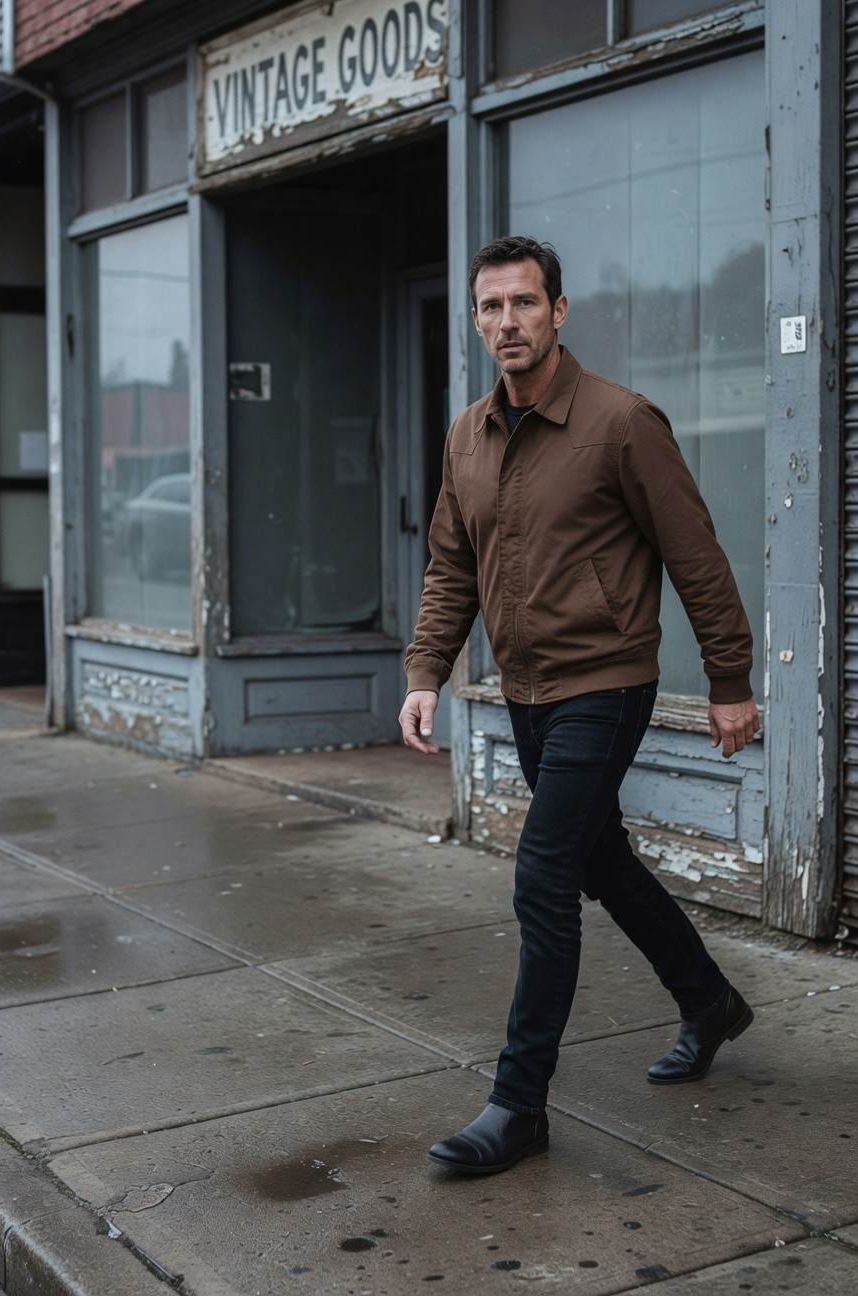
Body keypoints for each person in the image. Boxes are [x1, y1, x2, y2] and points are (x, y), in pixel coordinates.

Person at [399, 235, 760, 1176]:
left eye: (524, 304)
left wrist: (729, 682)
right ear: (475, 319)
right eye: (491, 308)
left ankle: (517, 1106)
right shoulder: (467, 435)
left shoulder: (621, 422)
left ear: (559, 311)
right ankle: (708, 997)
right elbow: (452, 568)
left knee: (544, 877)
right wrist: (425, 671)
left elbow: (697, 557)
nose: (507, 323)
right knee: (603, 862)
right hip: (524, 690)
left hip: (605, 681)